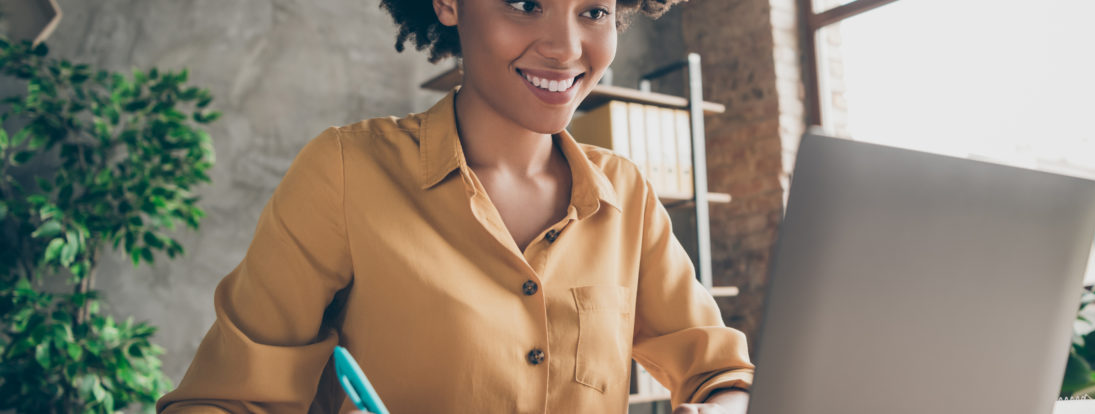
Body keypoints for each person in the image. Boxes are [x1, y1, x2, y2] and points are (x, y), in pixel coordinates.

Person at [155, 0, 754, 412]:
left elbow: (724, 374)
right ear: (448, 2)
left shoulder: (627, 195)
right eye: (525, 2)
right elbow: (224, 400)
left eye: (593, 11)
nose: (565, 48)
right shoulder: (346, 173)